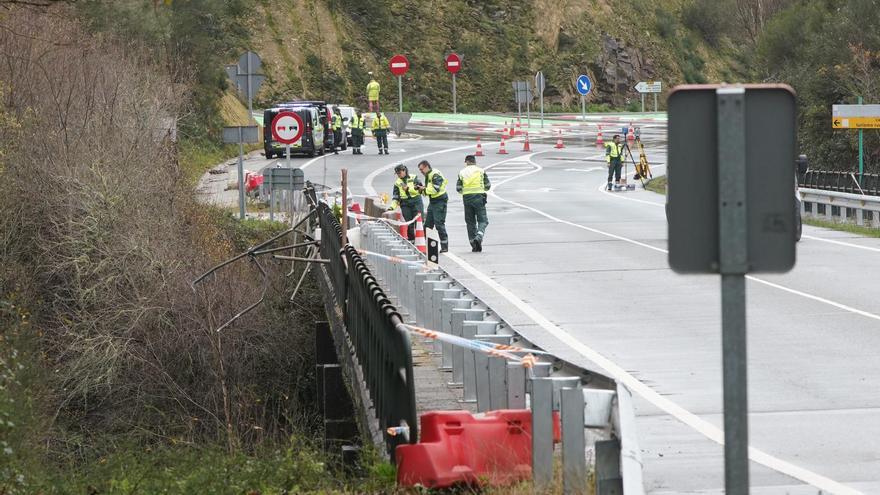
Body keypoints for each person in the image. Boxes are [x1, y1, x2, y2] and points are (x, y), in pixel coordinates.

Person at [456, 155, 490, 252]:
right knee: (483, 220)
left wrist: (466, 191)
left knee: (470, 222)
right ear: (475, 161)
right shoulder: (481, 171)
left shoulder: (462, 172)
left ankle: (473, 244)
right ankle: (479, 236)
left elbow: (458, 188)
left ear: (466, 162)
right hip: (479, 197)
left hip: (467, 198)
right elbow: (488, 186)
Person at [416, 160, 449, 252]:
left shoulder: (435, 174)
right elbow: (429, 189)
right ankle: (425, 246)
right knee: (428, 225)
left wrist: (424, 189)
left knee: (439, 223)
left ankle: (444, 246)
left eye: (422, 169)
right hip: (433, 201)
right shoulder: (429, 175)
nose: (421, 171)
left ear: (427, 167)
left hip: (440, 201)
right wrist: (421, 189)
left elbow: (435, 189)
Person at [387, 164, 424, 241]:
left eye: (399, 173)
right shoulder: (397, 183)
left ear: (404, 171)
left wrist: (408, 189)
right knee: (409, 223)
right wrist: (391, 207)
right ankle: (412, 240)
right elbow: (396, 197)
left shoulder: (414, 178)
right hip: (405, 204)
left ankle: (421, 240)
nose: (398, 175)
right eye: (397, 174)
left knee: (419, 222)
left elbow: (420, 190)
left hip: (416, 202)